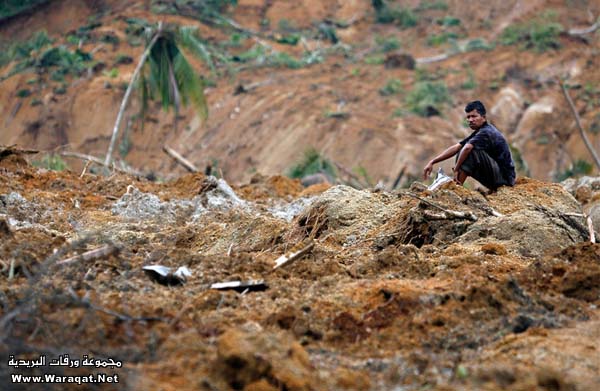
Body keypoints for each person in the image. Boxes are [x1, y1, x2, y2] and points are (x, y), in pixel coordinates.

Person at [423, 100, 516, 191]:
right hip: (496, 177)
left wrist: (456, 169)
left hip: (504, 179)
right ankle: (455, 187)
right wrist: (433, 161)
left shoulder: (487, 132)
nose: (470, 120)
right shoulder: (479, 131)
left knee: (469, 151)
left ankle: (456, 188)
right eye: (468, 117)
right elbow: (457, 147)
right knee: (463, 150)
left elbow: (467, 148)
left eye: (474, 116)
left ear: (483, 117)